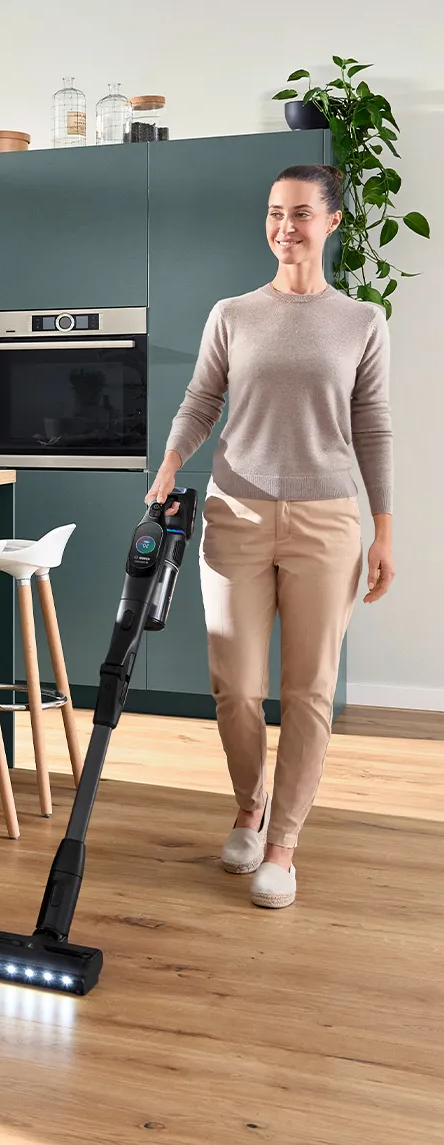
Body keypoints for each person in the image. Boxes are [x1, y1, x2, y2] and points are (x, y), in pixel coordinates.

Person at [146, 163, 395, 910]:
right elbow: (201, 399)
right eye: (274, 213)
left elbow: (373, 428)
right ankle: (249, 807)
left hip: (328, 520)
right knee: (237, 689)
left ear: (332, 223)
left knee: (309, 691)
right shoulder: (232, 313)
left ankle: (283, 844)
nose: (284, 226)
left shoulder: (362, 321)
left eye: (300, 214)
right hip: (236, 515)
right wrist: (168, 467)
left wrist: (384, 532)